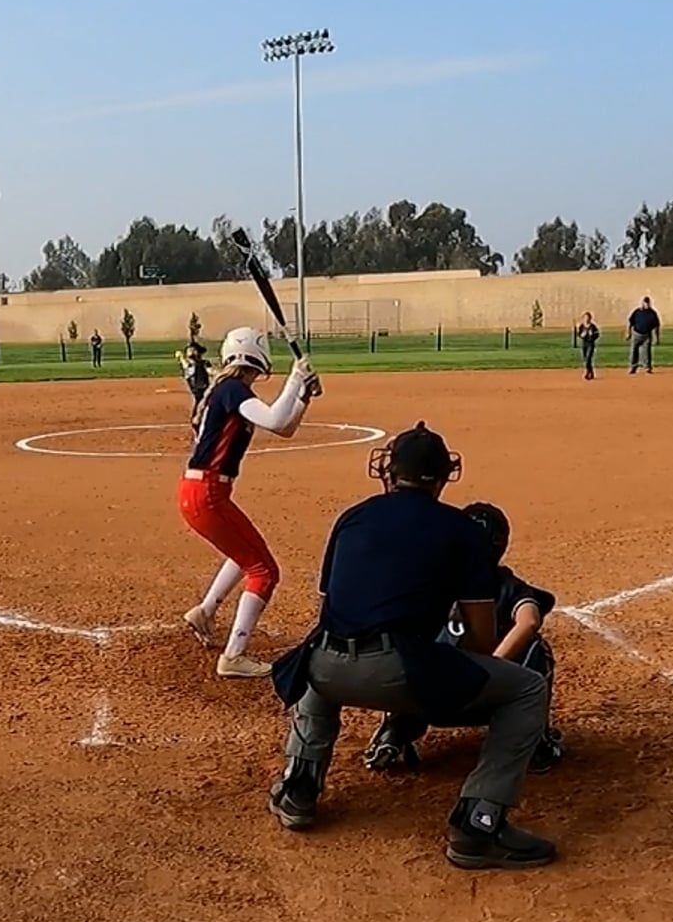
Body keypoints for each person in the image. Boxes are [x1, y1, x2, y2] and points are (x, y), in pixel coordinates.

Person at [266, 423, 556, 870]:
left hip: (322, 668)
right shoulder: (461, 530)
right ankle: (479, 825)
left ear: (388, 471)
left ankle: (298, 787)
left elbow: (329, 607)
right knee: (527, 689)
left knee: (321, 653)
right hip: (398, 670)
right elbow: (480, 641)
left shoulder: (353, 517)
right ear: (443, 476)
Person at [362, 501, 566, 776]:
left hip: (424, 700)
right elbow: (529, 621)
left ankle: (394, 730)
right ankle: (535, 743)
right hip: (484, 698)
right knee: (538, 649)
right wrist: (492, 669)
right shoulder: (506, 585)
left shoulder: (425, 581)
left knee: (404, 642)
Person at [179, 326, 319, 679]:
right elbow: (275, 419)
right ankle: (234, 656)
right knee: (264, 571)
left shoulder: (228, 389)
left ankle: (205, 612)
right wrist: (295, 377)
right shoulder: (232, 389)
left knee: (244, 553)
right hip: (206, 493)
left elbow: (285, 427)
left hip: (203, 492)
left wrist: (302, 395)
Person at [627, 297, 660, 374]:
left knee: (647, 352)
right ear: (642, 303)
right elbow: (630, 323)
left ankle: (647, 368)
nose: (647, 304)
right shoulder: (637, 312)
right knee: (634, 351)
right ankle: (633, 367)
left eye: (648, 303)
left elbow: (656, 325)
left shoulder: (652, 313)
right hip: (636, 334)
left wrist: (657, 337)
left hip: (647, 335)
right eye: (645, 303)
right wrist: (629, 333)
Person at [178, 341, 211, 416]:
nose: (191, 351)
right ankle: (197, 417)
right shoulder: (190, 364)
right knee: (202, 401)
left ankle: (197, 416)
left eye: (193, 350)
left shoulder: (203, 363)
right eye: (190, 350)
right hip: (198, 386)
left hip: (201, 386)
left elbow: (210, 370)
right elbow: (187, 365)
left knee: (201, 401)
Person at [575, 313, 600, 380]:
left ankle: (587, 373)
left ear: (590, 318)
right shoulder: (582, 326)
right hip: (584, 344)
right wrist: (582, 335)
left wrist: (592, 335)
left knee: (588, 359)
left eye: (588, 318)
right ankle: (591, 372)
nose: (586, 319)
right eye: (585, 318)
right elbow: (579, 334)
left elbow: (597, 335)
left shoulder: (593, 326)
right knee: (585, 359)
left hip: (590, 344)